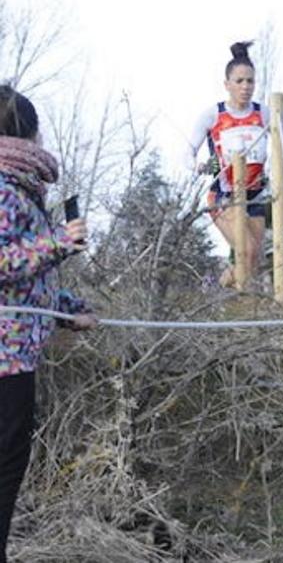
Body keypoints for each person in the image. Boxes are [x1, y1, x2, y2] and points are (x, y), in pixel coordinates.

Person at [0, 85, 95, 563]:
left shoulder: (19, 189)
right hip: (3, 360)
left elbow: (22, 282)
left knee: (8, 470)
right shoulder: (1, 187)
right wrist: (57, 242)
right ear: (26, 134)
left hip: (16, 355)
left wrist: (67, 309)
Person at [187, 42, 269, 290]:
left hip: (255, 194)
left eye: (250, 81)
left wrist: (281, 175)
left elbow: (281, 145)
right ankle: (225, 292)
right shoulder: (213, 114)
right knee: (245, 249)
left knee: (253, 259)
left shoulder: (264, 112)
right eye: (240, 81)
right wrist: (198, 166)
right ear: (227, 84)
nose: (245, 87)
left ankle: (215, 288)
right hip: (223, 194)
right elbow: (186, 151)